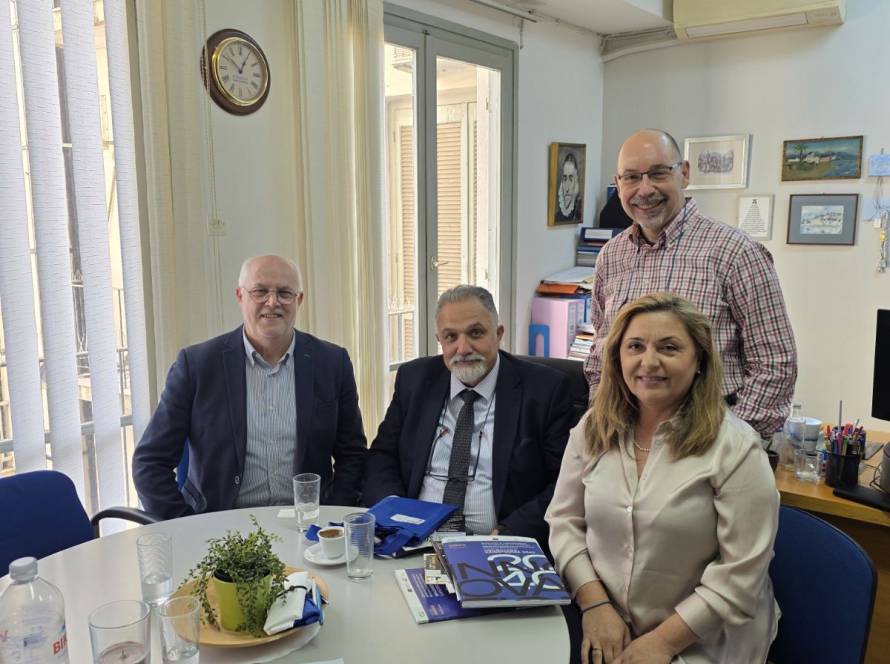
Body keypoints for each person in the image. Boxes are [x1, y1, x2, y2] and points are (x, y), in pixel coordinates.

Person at [547, 293, 779, 664]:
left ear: (699, 360)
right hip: (604, 618)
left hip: (702, 635)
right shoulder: (594, 428)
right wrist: (595, 604)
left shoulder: (736, 448)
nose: (649, 362)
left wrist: (663, 643)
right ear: (617, 357)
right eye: (635, 346)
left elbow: (741, 574)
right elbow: (564, 523)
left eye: (669, 348)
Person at [584, 128, 797, 440]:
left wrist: (729, 444)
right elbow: (602, 351)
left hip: (710, 440)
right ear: (618, 184)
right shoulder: (611, 256)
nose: (644, 189)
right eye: (631, 177)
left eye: (658, 173)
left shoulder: (735, 252)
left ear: (684, 174)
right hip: (626, 439)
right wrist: (602, 422)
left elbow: (776, 363)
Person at [133, 255, 367, 519]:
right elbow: (149, 464)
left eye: (284, 293)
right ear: (240, 296)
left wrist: (333, 517)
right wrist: (185, 526)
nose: (272, 302)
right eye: (260, 291)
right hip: (219, 525)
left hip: (308, 525)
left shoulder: (332, 363)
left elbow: (353, 456)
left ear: (299, 300)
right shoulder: (197, 365)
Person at [363, 285, 574, 544]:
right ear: (439, 340)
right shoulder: (414, 380)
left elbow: (565, 483)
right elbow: (382, 456)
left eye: (475, 333)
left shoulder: (545, 390)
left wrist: (507, 535)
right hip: (412, 539)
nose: (462, 348)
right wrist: (395, 514)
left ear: (498, 334)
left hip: (497, 542)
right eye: (451, 337)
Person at [556, 151, 584, 222]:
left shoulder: (579, 215)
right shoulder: (556, 217)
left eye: (571, 180)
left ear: (576, 182)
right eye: (565, 179)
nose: (567, 189)